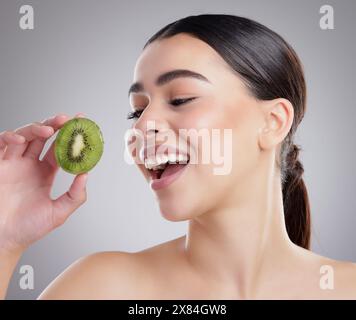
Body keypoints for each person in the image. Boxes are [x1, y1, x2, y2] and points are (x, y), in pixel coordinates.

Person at [1, 14, 355, 300]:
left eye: (181, 99)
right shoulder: (101, 288)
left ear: (272, 122)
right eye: (137, 111)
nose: (142, 127)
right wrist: (5, 242)